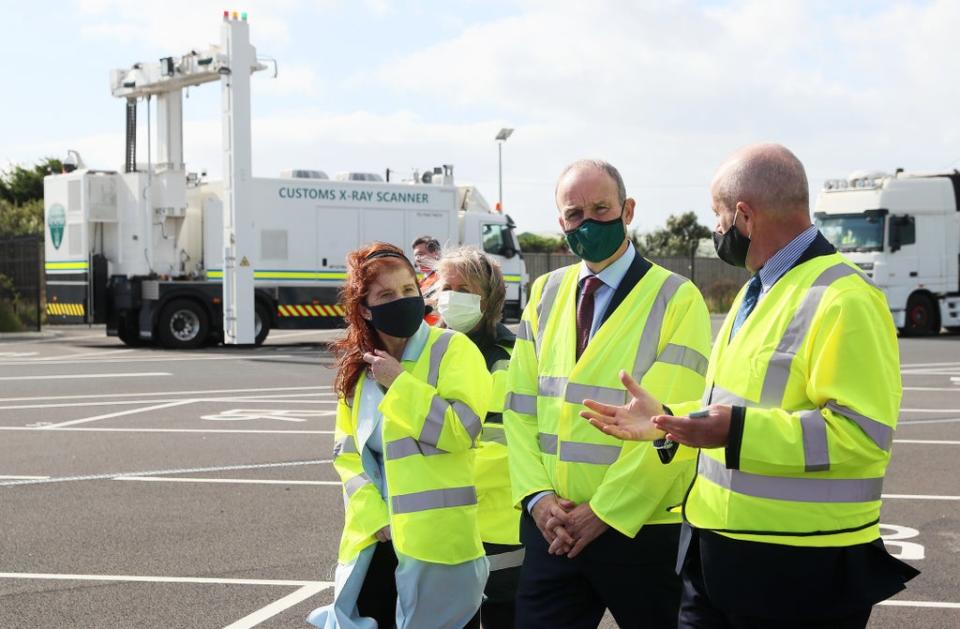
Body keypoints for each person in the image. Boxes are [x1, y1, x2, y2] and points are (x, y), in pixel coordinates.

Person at [583, 143, 919, 629]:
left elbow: (861, 436)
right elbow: (739, 405)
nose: (714, 227)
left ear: (744, 215)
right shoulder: (756, 289)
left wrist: (733, 431)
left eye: (717, 214)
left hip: (801, 572)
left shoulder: (845, 298)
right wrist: (671, 420)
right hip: (716, 556)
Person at [503, 159, 712, 628]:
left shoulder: (676, 298)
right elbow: (518, 409)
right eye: (574, 213)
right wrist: (537, 499)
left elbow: (668, 423)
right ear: (561, 223)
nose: (588, 222)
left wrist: (603, 512)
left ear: (628, 209)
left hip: (639, 532)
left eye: (601, 208)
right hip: (553, 530)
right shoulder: (544, 293)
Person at [307, 242, 492, 629]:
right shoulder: (358, 372)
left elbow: (461, 432)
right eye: (387, 295)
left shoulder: (453, 350)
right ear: (364, 308)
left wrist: (400, 384)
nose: (402, 300)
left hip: (437, 547)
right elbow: (347, 454)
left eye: (409, 290)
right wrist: (376, 516)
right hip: (376, 543)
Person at [436, 246, 523, 629]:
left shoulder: (514, 357)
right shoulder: (422, 353)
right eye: (446, 286)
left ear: (488, 299)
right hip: (440, 531)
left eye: (465, 288)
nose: (452, 296)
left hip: (500, 531)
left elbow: (509, 444)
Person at [412, 235, 442, 325]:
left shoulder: (443, 277)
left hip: (436, 328)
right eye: (416, 255)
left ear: (436, 253)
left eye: (421, 254)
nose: (418, 259)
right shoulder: (421, 280)